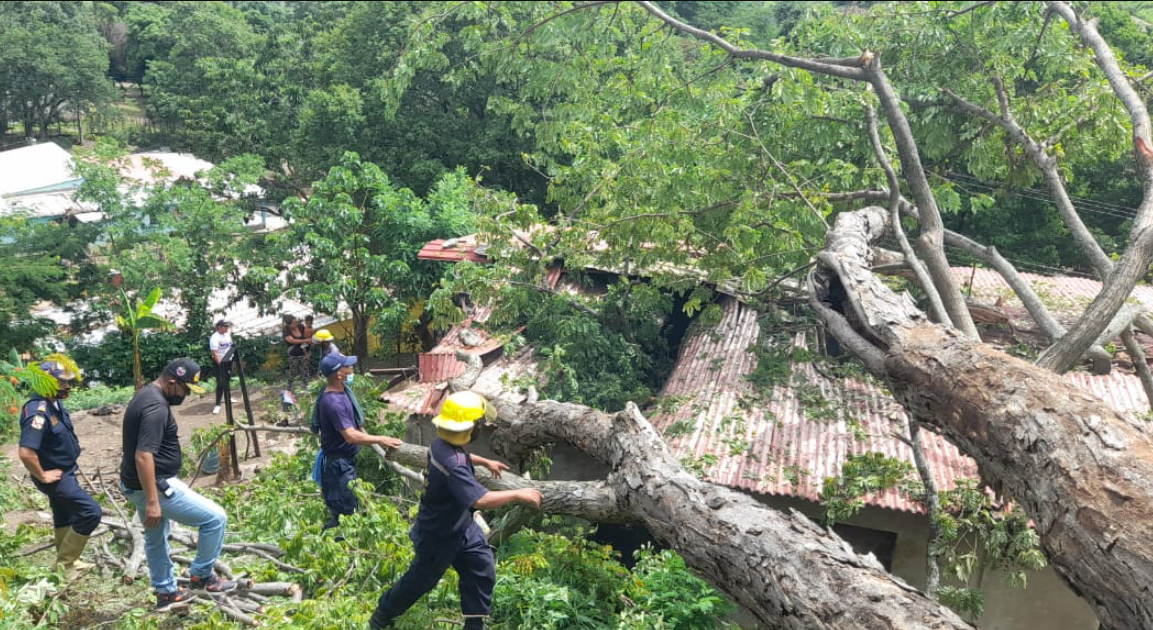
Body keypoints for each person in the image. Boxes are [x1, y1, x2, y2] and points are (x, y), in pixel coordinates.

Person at [369, 391, 543, 630]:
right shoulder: (454, 464)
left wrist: (484, 462)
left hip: (461, 524)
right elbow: (481, 499)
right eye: (479, 423)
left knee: (481, 566)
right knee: (421, 580)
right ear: (470, 428)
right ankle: (381, 616)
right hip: (438, 533)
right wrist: (518, 494)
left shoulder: (441, 444)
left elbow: (462, 455)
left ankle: (475, 623)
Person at [119, 358, 236, 611]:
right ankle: (201, 576)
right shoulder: (156, 406)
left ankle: (165, 592)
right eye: (184, 390)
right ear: (172, 382)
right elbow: (143, 455)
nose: (185, 396)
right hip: (153, 486)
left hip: (139, 483)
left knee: (155, 536)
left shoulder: (146, 394)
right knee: (215, 519)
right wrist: (152, 501)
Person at [17, 358, 102, 579]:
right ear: (47, 382)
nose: (67, 387)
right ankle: (64, 565)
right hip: (54, 477)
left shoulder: (54, 403)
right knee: (91, 512)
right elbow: (26, 452)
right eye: (62, 383)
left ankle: (69, 561)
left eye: (68, 382)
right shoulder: (37, 411)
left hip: (65, 471)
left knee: (63, 514)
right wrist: (43, 475)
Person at [314, 352, 402, 530]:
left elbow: (355, 427)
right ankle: (333, 549)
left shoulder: (340, 391)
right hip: (337, 468)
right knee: (346, 515)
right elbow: (350, 435)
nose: (352, 367)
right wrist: (381, 439)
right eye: (348, 365)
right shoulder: (333, 402)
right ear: (339, 374)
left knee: (347, 511)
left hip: (342, 464)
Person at [208, 319, 235, 415]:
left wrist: (232, 359)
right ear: (219, 327)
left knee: (227, 379)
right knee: (220, 382)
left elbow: (231, 347)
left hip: (228, 360)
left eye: (228, 326)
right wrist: (221, 365)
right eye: (225, 326)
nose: (227, 328)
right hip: (219, 361)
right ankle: (217, 404)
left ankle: (227, 397)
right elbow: (215, 353)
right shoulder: (214, 338)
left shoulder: (227, 335)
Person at [282, 314, 311, 393]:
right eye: (293, 323)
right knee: (293, 372)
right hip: (294, 355)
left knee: (305, 370)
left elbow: (307, 335)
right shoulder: (286, 331)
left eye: (296, 322)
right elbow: (292, 341)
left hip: (304, 353)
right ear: (288, 324)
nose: (296, 324)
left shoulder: (301, 327)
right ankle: (289, 388)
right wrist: (305, 341)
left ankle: (307, 386)